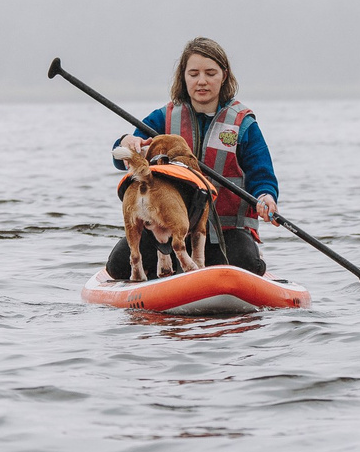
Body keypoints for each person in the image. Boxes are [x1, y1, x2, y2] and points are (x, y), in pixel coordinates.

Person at [104, 37, 280, 278]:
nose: (202, 81)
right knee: (117, 267)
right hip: (165, 227)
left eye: (210, 73)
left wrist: (266, 197)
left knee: (246, 263)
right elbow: (122, 157)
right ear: (183, 77)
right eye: (194, 73)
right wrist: (125, 142)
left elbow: (262, 174)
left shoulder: (243, 124)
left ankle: (205, 268)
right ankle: (168, 264)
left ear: (224, 76)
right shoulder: (162, 118)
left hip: (223, 232)